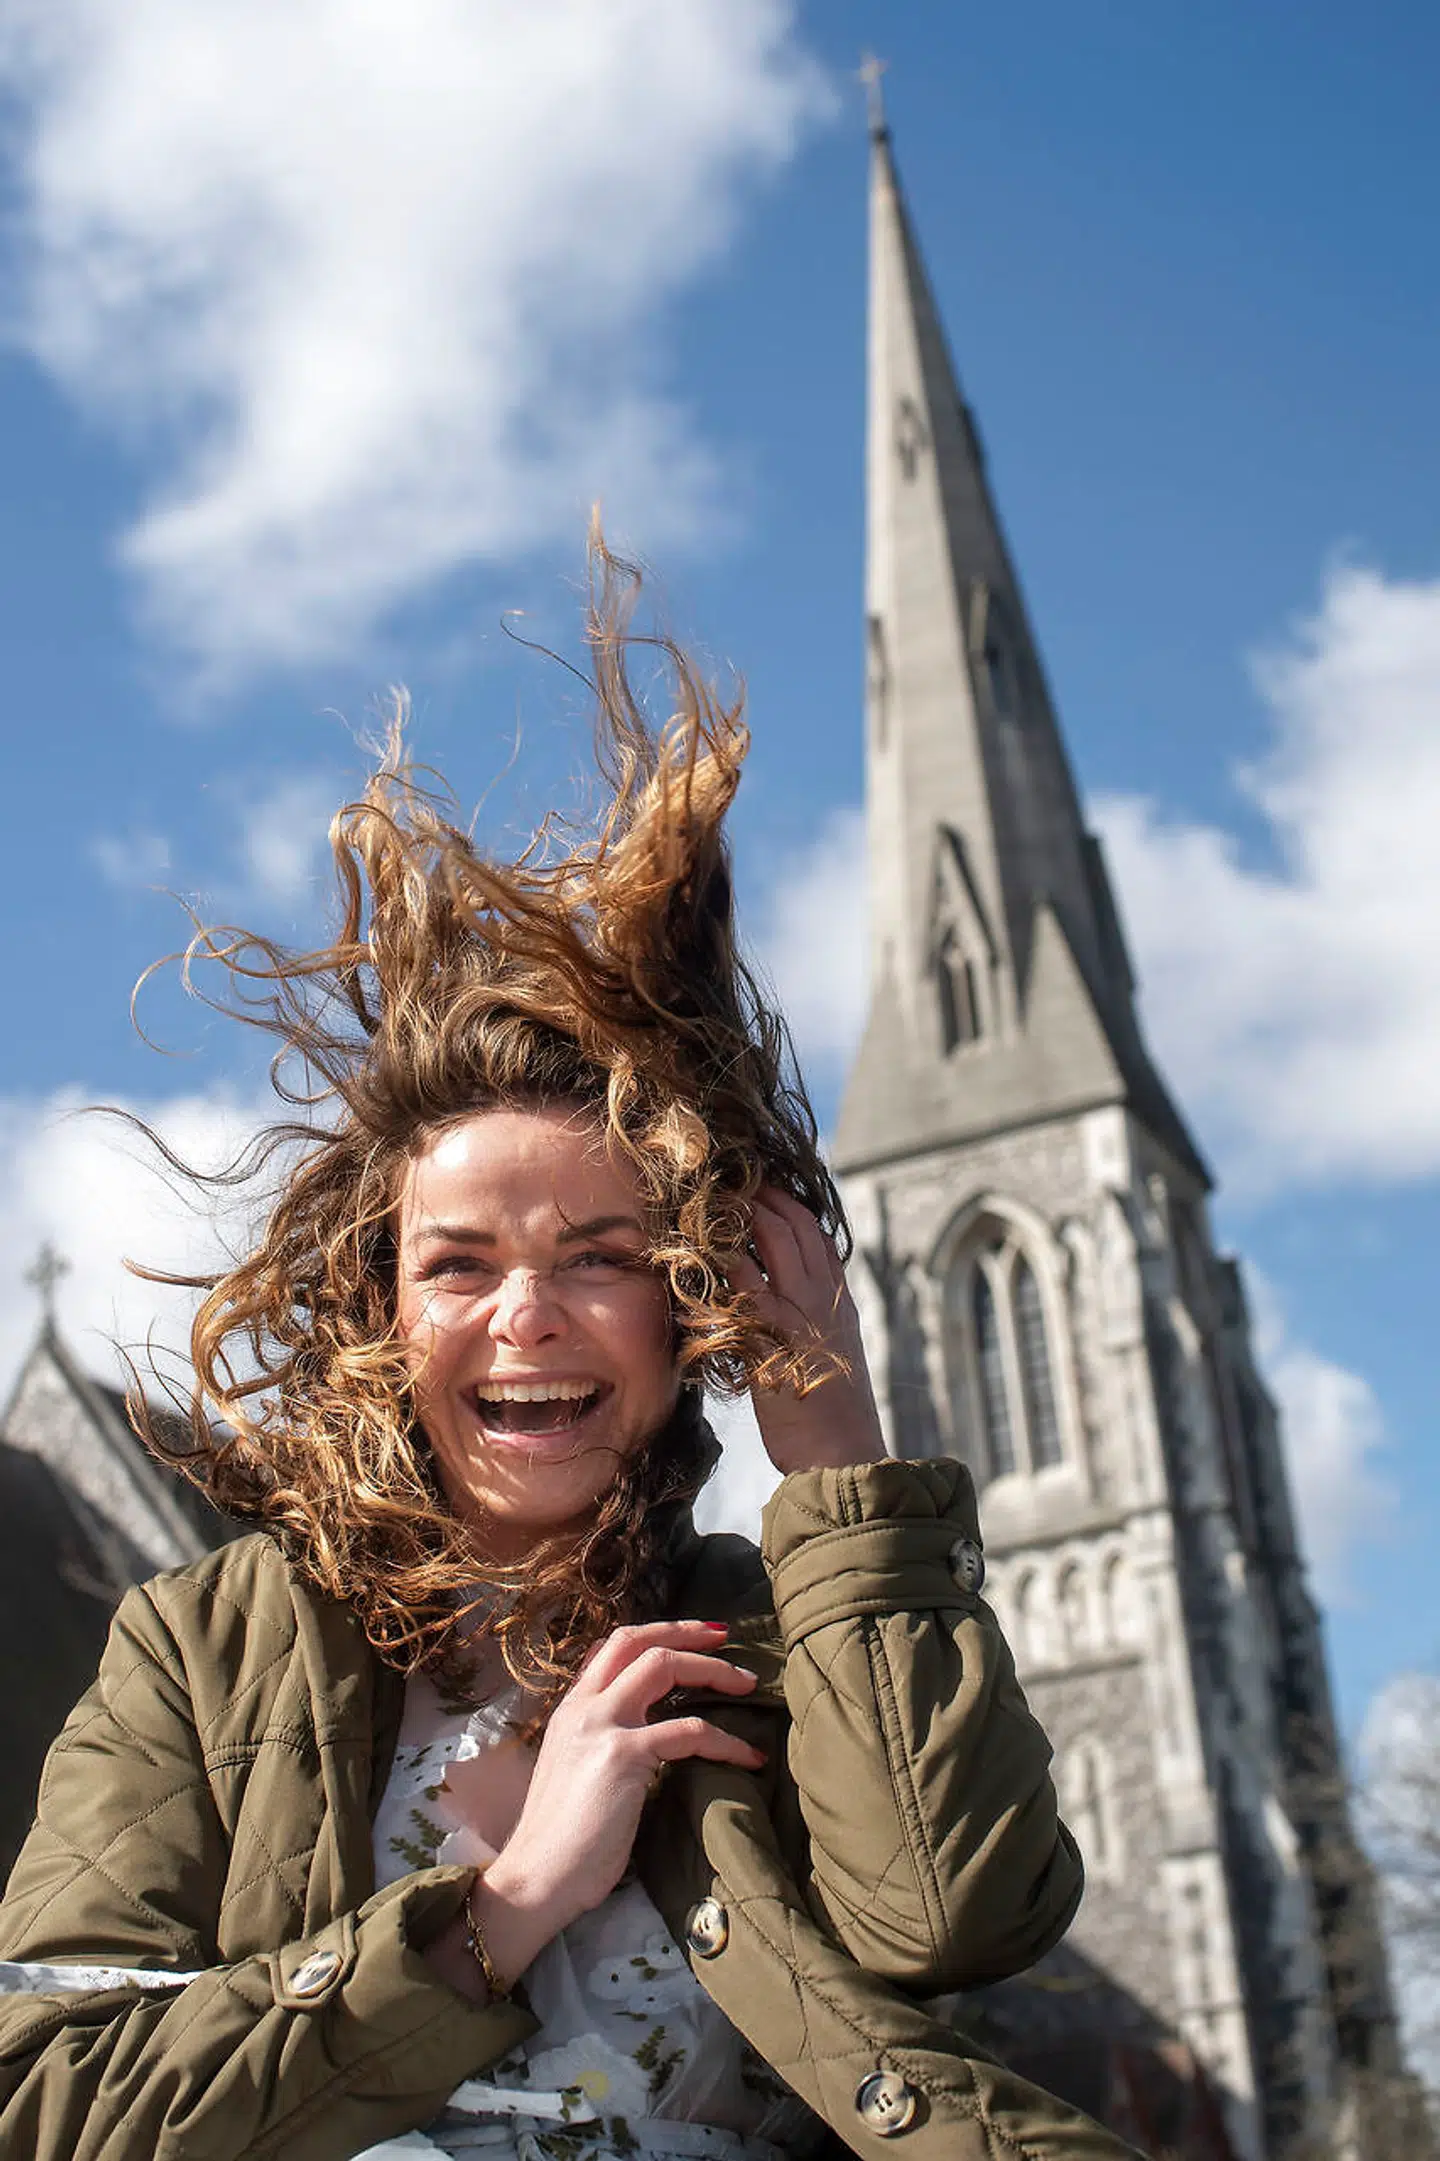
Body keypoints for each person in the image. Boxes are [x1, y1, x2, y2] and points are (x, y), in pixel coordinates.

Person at [0, 538, 1136, 2161]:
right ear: (383, 1317)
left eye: (600, 1258)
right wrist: (511, 1900)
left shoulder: (775, 1642)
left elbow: (957, 1917)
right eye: (457, 1265)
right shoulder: (201, 1651)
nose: (525, 1312)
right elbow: (50, 2104)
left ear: (689, 1309)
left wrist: (834, 1443)